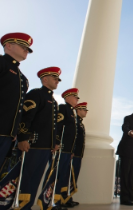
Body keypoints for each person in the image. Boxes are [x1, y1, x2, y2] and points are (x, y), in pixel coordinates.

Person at [17, 67, 62, 210]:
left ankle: (27, 206)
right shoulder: (36, 94)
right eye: (54, 78)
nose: (57, 81)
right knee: (26, 178)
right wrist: (23, 137)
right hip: (33, 145)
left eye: (58, 79)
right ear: (44, 79)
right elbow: (26, 117)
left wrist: (54, 143)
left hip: (45, 147)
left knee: (36, 179)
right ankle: (19, 205)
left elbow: (53, 126)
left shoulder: (53, 101)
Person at [43, 88, 80, 209]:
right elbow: (58, 126)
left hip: (67, 151)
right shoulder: (63, 109)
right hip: (61, 149)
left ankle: (57, 201)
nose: (77, 99)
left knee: (63, 176)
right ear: (68, 98)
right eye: (75, 97)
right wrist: (56, 142)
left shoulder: (72, 113)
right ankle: (49, 200)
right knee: (55, 176)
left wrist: (72, 150)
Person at [0, 32, 33, 167]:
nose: (26, 51)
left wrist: (15, 132)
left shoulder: (23, 79)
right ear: (8, 45)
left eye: (27, 49)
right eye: (23, 47)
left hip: (7, 134)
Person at [61, 102, 88, 207]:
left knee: (72, 178)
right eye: (84, 110)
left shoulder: (80, 123)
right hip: (73, 153)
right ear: (78, 110)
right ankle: (63, 199)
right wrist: (72, 150)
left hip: (78, 154)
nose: (86, 112)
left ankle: (68, 198)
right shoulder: (75, 121)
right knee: (67, 177)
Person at [116, 105, 133, 206]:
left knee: (131, 175)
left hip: (132, 152)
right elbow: (125, 127)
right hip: (125, 150)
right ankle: (124, 199)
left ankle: (131, 196)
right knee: (124, 175)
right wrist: (129, 132)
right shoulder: (127, 118)